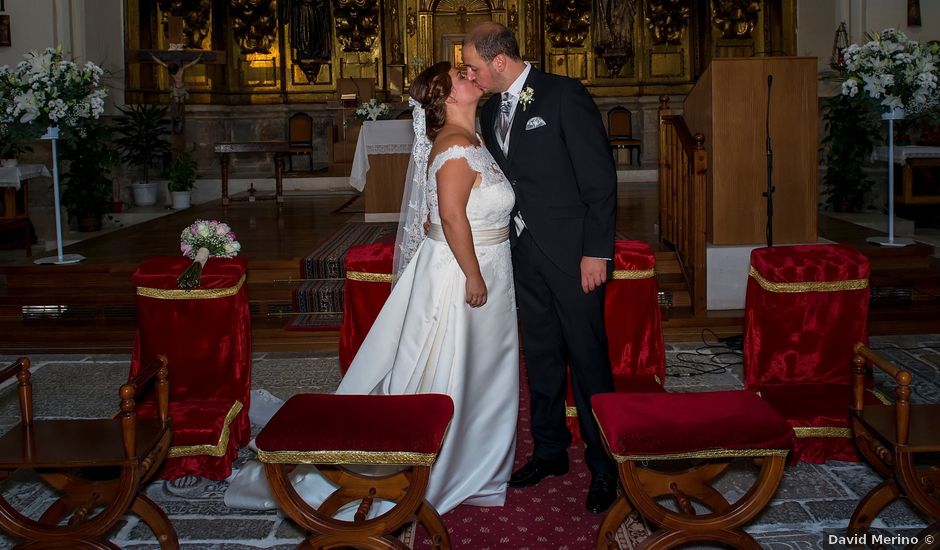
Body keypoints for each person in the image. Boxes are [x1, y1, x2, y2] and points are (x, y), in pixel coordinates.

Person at [225, 61, 519, 515]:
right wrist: (475, 275)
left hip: (483, 266)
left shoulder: (472, 140)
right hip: (464, 275)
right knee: (451, 365)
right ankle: (445, 463)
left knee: (477, 367)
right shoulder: (456, 147)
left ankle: (473, 462)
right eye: (461, 76)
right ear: (445, 98)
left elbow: (447, 212)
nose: (470, 77)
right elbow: (453, 217)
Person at [462, 22, 619, 514]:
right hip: (522, 253)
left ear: (500, 61)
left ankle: (606, 464)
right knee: (543, 357)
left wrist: (597, 251)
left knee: (588, 359)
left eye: (474, 66)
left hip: (575, 257)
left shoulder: (563, 95)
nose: (471, 74)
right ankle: (550, 451)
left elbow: (599, 179)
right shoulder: (489, 113)